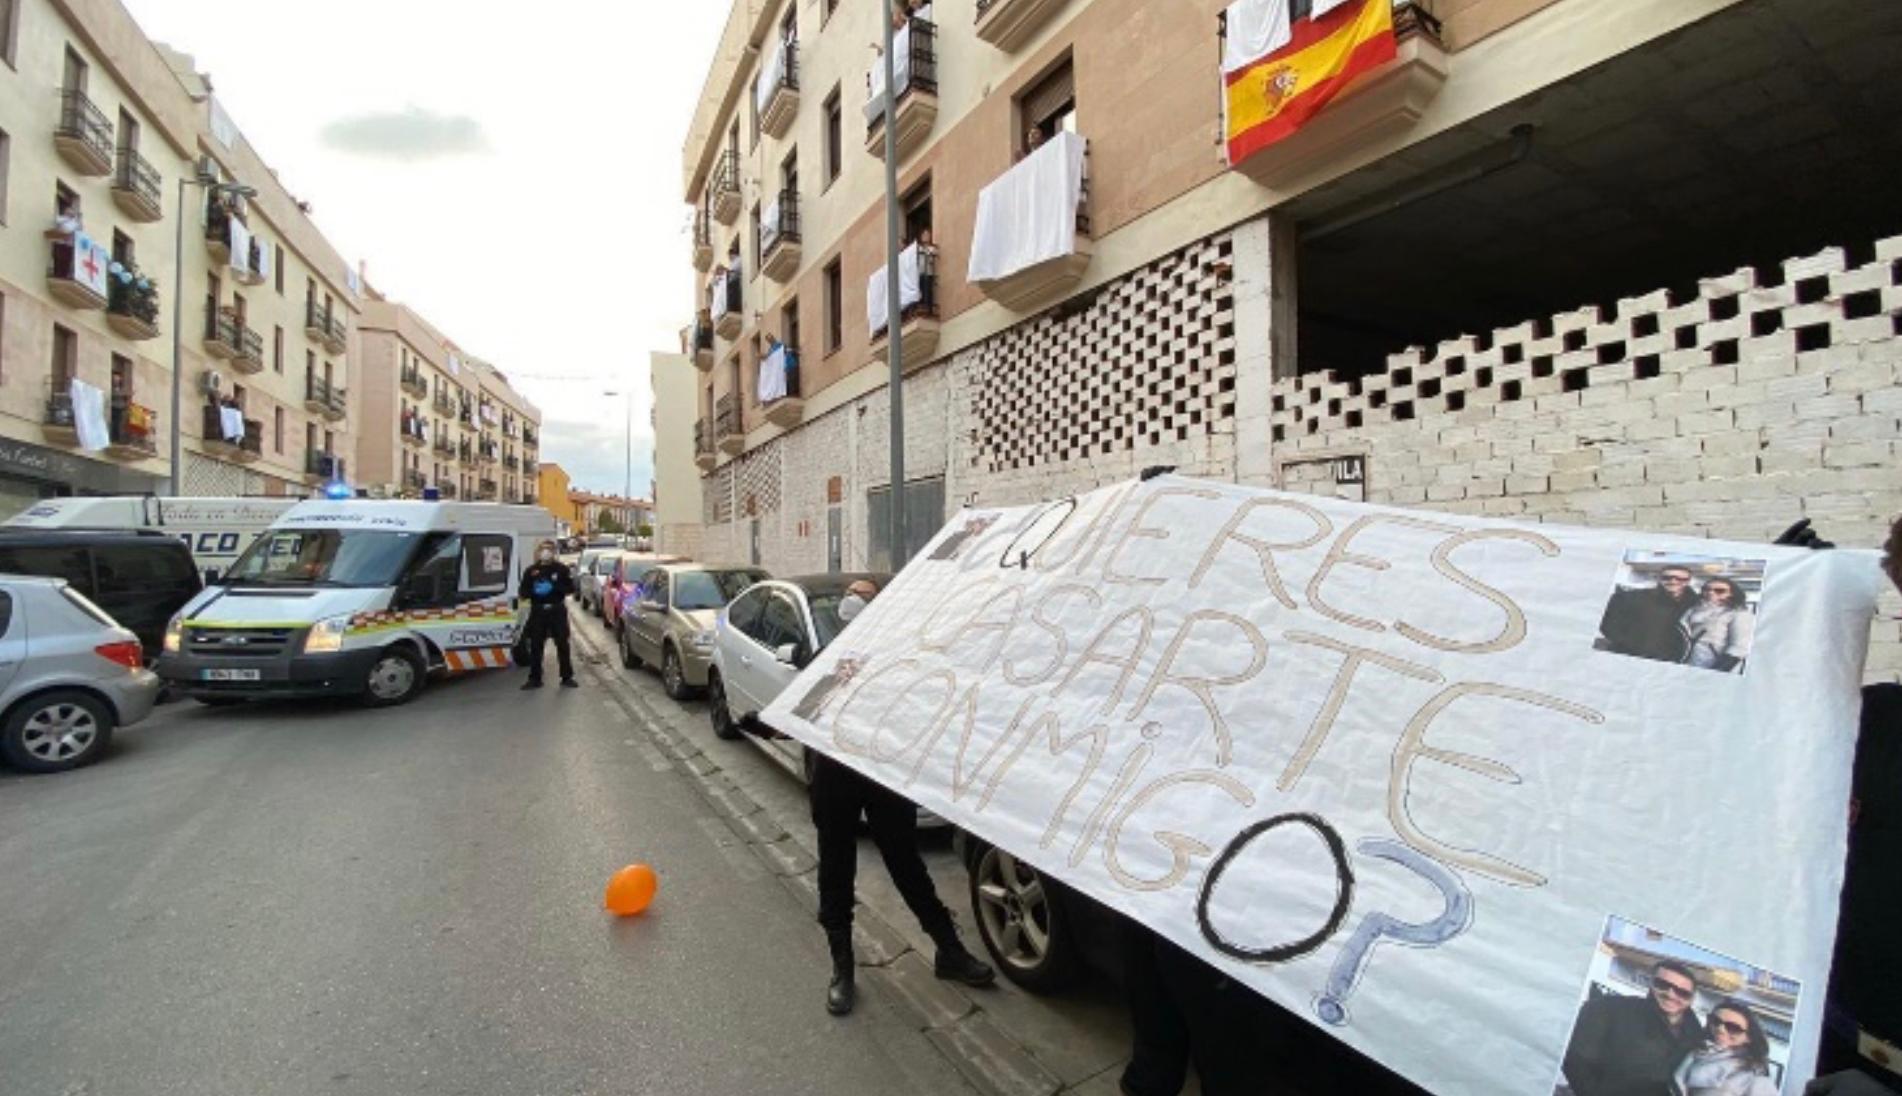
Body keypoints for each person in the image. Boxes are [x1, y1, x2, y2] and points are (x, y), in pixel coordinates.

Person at [800, 577, 995, 1016]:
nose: (855, 597)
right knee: (836, 870)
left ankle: (949, 950)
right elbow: (799, 715)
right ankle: (842, 966)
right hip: (835, 782)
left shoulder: (902, 662)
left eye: (866, 593)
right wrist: (763, 720)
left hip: (884, 779)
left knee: (907, 864)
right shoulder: (827, 659)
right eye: (853, 592)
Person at [1561, 960, 1708, 1096]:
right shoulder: (1610, 1009)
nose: (1670, 994)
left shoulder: (1698, 1039)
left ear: (1691, 999)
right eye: (1662, 984)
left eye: (1682, 992)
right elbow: (1575, 1059)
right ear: (1651, 983)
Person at [1674, 1001, 1779, 1096]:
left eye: (1733, 1028)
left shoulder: (1754, 1076)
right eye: (1716, 1021)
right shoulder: (1693, 1053)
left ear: (1749, 1038)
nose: (1721, 1029)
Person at [1598, 565, 1700, 663]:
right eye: (1667, 577)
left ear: (1688, 581)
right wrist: (1628, 645)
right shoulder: (1631, 598)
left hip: (1671, 660)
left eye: (1680, 579)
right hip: (1628, 655)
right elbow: (1607, 623)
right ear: (1659, 578)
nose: (1673, 581)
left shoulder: (1696, 604)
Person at [518, 540, 576, 689]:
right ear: (538, 552)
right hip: (538, 611)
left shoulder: (561, 569)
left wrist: (554, 587)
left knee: (562, 643)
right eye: (543, 549)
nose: (546, 552)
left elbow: (570, 589)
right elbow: (523, 593)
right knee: (536, 645)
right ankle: (535, 678)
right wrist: (535, 591)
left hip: (557, 610)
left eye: (549, 549)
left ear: (554, 552)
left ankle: (566, 676)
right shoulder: (531, 571)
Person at [1680, 577, 1754, 671]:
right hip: (1688, 661)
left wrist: (1719, 669)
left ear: (1731, 594)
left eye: (1719, 591)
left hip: (1713, 664)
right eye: (1707, 589)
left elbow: (1740, 647)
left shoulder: (1739, 614)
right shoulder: (1693, 609)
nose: (1711, 593)